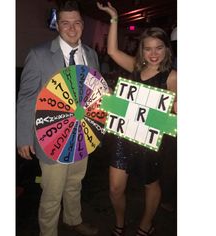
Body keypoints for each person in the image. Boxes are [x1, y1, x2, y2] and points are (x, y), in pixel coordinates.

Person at [17, 1, 100, 236]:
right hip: (51, 138)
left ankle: (73, 220)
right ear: (57, 25)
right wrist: (23, 137)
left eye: (76, 23)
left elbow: (94, 93)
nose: (71, 29)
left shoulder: (91, 55)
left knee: (75, 183)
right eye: (65, 23)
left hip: (82, 134)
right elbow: (26, 98)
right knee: (52, 193)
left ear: (83, 25)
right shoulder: (39, 55)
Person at [97, 2, 177, 236]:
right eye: (148, 48)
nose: (153, 54)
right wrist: (114, 17)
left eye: (158, 48)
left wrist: (170, 108)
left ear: (166, 50)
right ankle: (119, 222)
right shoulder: (135, 67)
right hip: (123, 137)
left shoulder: (173, 77)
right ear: (141, 50)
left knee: (150, 184)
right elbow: (112, 52)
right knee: (114, 187)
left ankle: (146, 224)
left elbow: (177, 118)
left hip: (150, 142)